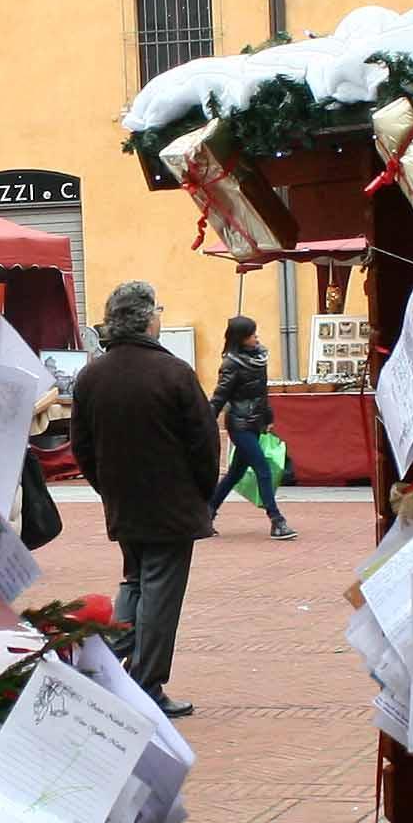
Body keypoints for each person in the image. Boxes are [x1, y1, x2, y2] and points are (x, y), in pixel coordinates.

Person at [65, 278, 212, 716]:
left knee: (134, 581)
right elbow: (204, 444)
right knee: (161, 596)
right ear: (148, 319)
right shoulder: (174, 373)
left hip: (123, 501)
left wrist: (105, 485)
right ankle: (145, 685)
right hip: (171, 504)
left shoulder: (92, 376)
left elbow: (81, 445)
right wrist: (200, 494)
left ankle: (105, 665)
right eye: (158, 311)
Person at [207, 314, 295, 540]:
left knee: (235, 473)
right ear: (241, 338)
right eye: (251, 334)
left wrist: (268, 417)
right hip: (239, 424)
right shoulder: (231, 364)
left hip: (255, 422)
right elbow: (220, 395)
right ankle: (277, 520)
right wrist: (207, 420)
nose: (256, 337)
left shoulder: (259, 358)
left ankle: (207, 513)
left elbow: (261, 392)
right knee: (262, 468)